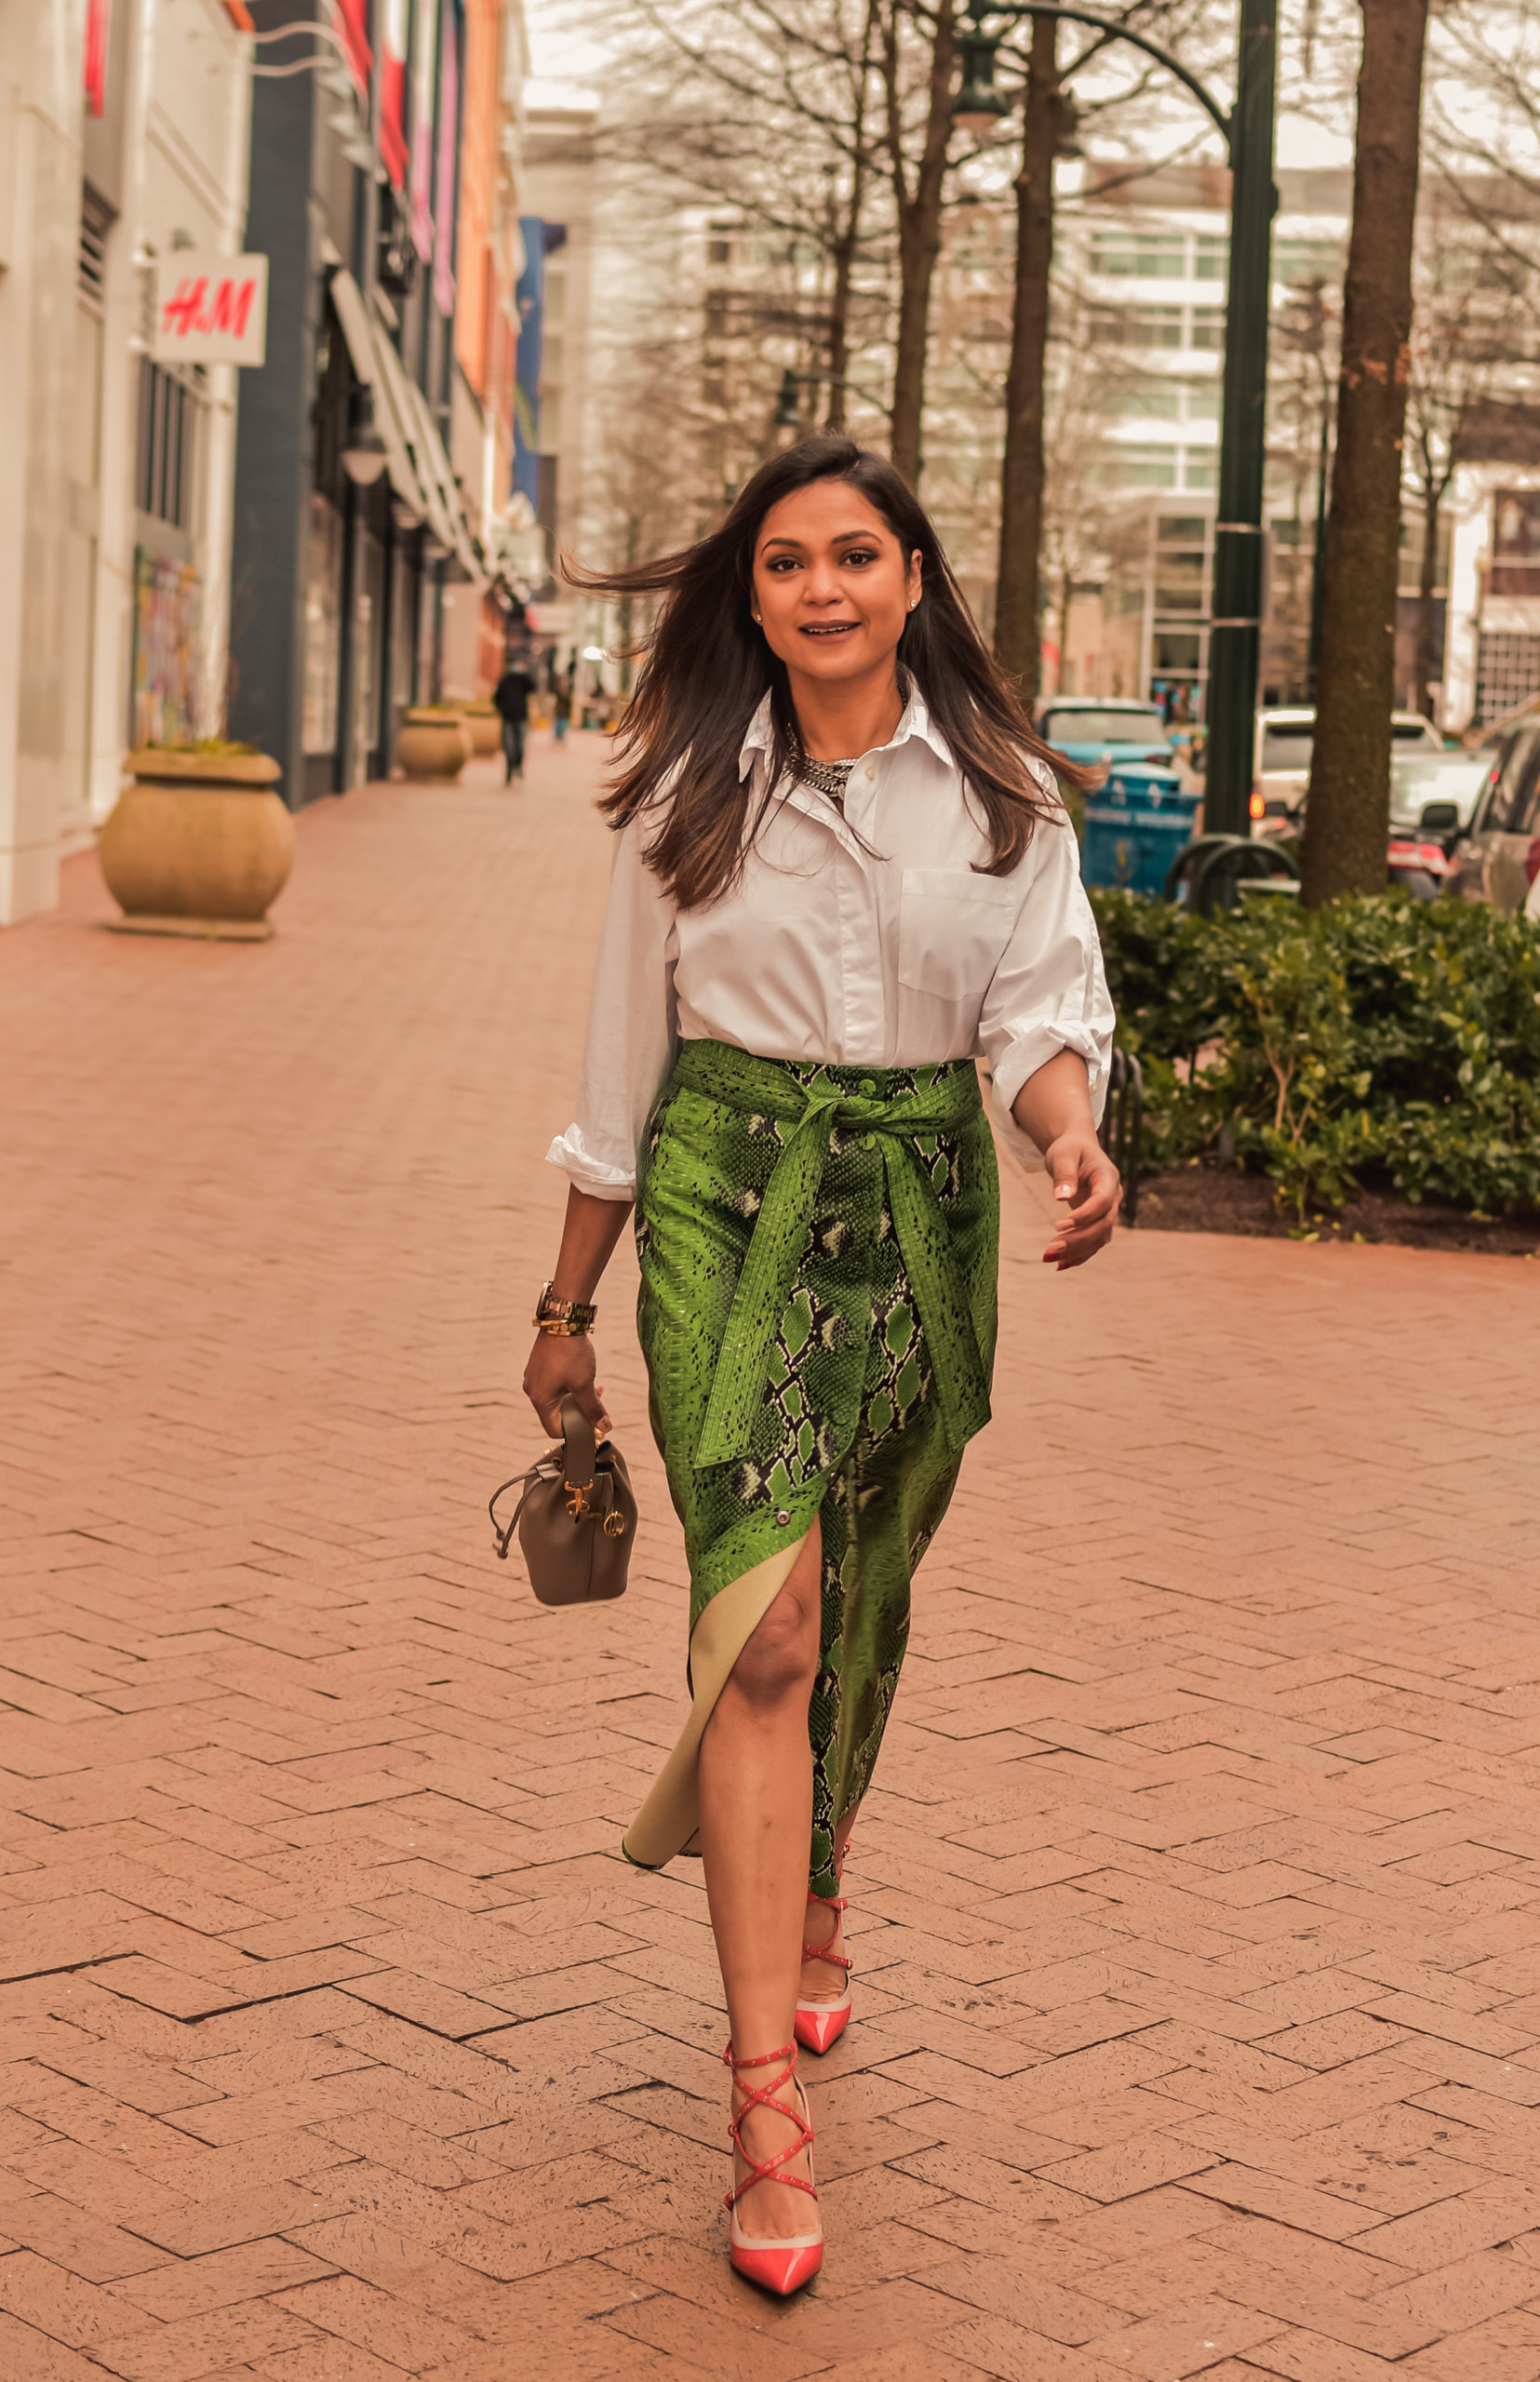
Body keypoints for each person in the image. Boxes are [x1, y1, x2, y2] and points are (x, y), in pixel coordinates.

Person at [525, 435, 1118, 2297]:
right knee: (763, 1626)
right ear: (753, 595)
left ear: (915, 578)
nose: (820, 588)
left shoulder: (1005, 793)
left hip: (918, 1211)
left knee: (856, 1591)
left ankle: (820, 1872)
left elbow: (1034, 1010)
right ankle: (760, 2096)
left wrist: (1071, 1133)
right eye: (784, 563)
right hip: (722, 1202)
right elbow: (621, 1073)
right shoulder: (682, 790)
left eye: (854, 555)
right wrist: (561, 1307)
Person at [492, 656, 532, 783]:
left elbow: (532, 686)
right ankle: (509, 770)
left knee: (520, 745)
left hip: (521, 718)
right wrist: (503, 710)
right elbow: (496, 698)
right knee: (509, 746)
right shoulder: (505, 681)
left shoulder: (523, 681)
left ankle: (518, 765)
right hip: (508, 719)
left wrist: (524, 674)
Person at [552, 669, 573, 743]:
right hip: (559, 712)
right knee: (558, 728)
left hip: (565, 713)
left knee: (563, 727)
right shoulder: (558, 690)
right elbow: (558, 693)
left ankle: (561, 739)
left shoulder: (568, 690)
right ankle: (558, 739)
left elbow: (569, 703)